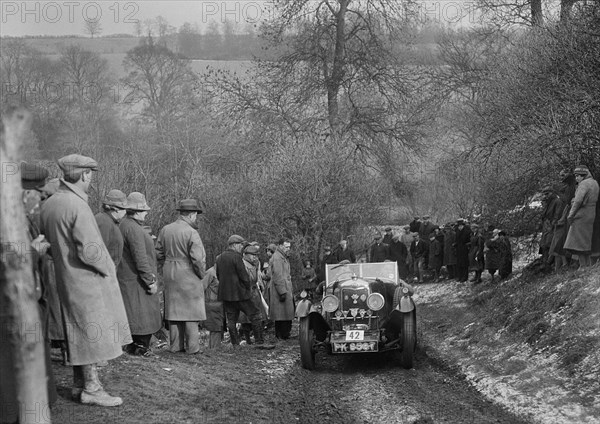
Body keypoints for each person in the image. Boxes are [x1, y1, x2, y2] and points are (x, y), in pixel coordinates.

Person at [40, 154, 131, 407]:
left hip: (65, 276)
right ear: (84, 175)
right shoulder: (76, 205)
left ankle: (80, 385)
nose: (90, 178)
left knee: (78, 330)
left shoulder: (50, 203)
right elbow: (91, 250)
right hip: (86, 279)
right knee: (92, 332)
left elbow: (47, 244)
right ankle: (92, 387)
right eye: (90, 173)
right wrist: (107, 268)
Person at [156, 199, 206, 354]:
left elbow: (158, 252)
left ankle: (176, 346)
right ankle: (193, 348)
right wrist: (201, 274)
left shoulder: (166, 229)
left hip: (170, 271)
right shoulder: (192, 232)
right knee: (191, 311)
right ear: (191, 215)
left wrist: (168, 264)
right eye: (196, 215)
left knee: (174, 310)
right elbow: (198, 259)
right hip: (188, 272)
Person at [117, 192, 162, 356]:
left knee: (134, 315)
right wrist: (150, 281)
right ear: (136, 211)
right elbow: (140, 258)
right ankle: (140, 348)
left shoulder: (125, 224)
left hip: (130, 279)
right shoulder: (133, 228)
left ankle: (135, 347)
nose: (146, 213)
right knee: (141, 316)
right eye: (143, 210)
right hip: (137, 282)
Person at [216, 235, 271, 347]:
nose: (242, 247)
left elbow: (218, 275)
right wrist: (247, 288)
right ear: (235, 245)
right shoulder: (237, 257)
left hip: (226, 294)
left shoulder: (219, 258)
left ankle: (235, 344)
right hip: (240, 293)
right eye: (241, 244)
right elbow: (244, 276)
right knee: (256, 315)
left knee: (231, 320)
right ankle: (259, 342)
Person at [564, 165, 599, 267]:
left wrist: (571, 215)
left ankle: (583, 265)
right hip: (591, 214)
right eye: (576, 176)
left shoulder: (583, 184)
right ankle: (587, 265)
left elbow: (578, 201)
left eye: (578, 176)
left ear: (583, 175)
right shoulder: (594, 183)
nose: (576, 178)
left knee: (578, 242)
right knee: (585, 241)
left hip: (581, 215)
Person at [238, 244, 270, 345]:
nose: (255, 257)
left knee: (259, 316)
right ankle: (249, 339)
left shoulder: (255, 264)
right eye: (253, 255)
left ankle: (259, 339)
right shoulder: (242, 264)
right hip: (245, 293)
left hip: (255, 292)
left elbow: (255, 279)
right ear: (246, 255)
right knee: (246, 318)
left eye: (256, 255)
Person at [550, 170, 577, 271]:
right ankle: (562, 266)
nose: (561, 177)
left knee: (563, 242)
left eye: (563, 175)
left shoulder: (572, 186)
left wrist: (556, 191)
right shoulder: (567, 186)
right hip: (564, 218)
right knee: (559, 245)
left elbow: (567, 200)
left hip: (567, 217)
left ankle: (568, 264)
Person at [269, 239, 295, 340]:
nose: (288, 249)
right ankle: (282, 335)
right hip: (281, 289)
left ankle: (283, 334)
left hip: (285, 287)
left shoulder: (282, 256)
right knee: (282, 314)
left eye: (289, 247)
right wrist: (282, 292)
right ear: (280, 246)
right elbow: (277, 275)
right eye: (286, 246)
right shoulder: (277, 258)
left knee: (284, 313)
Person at [95, 189, 127, 267]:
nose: (126, 212)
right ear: (116, 209)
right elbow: (97, 254)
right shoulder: (104, 222)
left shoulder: (110, 221)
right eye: (125, 209)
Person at [539, 186, 563, 268]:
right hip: (546, 225)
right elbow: (544, 215)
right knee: (544, 245)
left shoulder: (557, 201)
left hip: (552, 226)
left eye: (547, 194)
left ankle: (551, 264)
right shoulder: (548, 202)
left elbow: (557, 214)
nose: (546, 196)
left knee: (551, 244)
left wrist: (553, 224)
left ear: (552, 193)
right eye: (544, 194)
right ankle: (545, 263)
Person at [202, 266, 223, 349]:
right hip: (212, 303)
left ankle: (213, 348)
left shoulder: (221, 271)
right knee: (215, 327)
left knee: (217, 327)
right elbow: (202, 286)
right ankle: (215, 349)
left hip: (218, 303)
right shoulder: (211, 272)